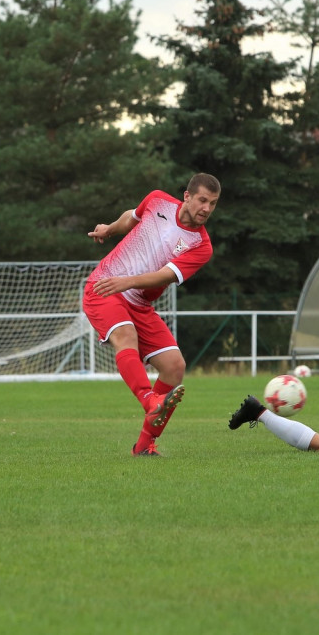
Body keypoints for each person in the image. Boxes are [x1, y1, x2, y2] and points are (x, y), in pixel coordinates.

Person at [83, 173, 220, 456]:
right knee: (126, 335)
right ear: (187, 196)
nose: (206, 208)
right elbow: (131, 217)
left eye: (213, 203)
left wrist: (128, 282)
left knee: (175, 366)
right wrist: (109, 229)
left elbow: (164, 276)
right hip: (104, 287)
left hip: (138, 302)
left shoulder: (201, 246)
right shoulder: (158, 200)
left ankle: (145, 446)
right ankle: (149, 400)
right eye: (202, 200)